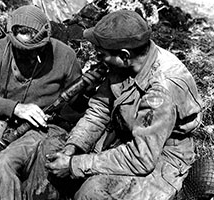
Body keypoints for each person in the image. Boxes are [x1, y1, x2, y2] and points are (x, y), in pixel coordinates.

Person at [45, 9, 202, 200]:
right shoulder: (126, 63)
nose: (97, 58)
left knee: (91, 193)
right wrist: (73, 148)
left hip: (161, 154)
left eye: (101, 54)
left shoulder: (161, 90)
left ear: (124, 55)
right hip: (127, 135)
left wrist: (75, 164)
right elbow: (99, 110)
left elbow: (141, 157)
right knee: (50, 153)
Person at [0, 5, 97, 200]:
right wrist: (15, 108)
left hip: (44, 126)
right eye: (21, 50)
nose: (26, 56)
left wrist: (85, 93)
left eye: (33, 50)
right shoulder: (2, 49)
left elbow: (76, 109)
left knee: (5, 163)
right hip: (5, 119)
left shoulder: (65, 56)